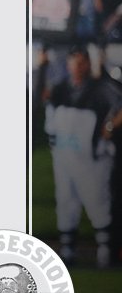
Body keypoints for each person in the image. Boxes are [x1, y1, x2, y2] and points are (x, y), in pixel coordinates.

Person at [42, 45, 122, 268]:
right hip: (65, 154)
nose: (76, 67)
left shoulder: (101, 87)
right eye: (73, 61)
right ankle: (68, 252)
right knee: (66, 202)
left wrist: (109, 125)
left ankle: (106, 253)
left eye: (81, 62)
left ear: (89, 63)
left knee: (98, 202)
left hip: (92, 156)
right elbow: (45, 100)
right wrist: (42, 67)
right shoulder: (62, 88)